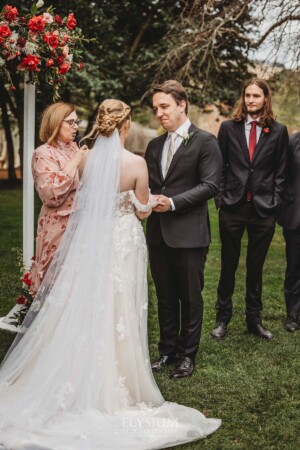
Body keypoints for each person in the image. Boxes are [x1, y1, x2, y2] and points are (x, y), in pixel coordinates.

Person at [0, 99, 221, 449]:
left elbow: (85, 198)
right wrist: (153, 202)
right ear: (126, 125)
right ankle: (116, 378)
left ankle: (77, 372)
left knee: (88, 303)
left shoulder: (83, 159)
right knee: (119, 305)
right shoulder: (136, 163)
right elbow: (143, 208)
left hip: (91, 241)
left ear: (101, 123)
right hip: (123, 242)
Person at [145, 80, 222, 379]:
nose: (159, 113)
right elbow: (151, 185)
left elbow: (211, 185)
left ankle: (187, 356)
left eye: (164, 107)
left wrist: (174, 202)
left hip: (190, 235)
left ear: (181, 104)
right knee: (165, 296)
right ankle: (166, 351)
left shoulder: (205, 141)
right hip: (158, 233)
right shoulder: (154, 145)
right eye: (155, 109)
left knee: (190, 299)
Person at [212, 78, 289, 341]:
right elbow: (220, 167)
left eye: (256, 96)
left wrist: (275, 202)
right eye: (247, 95)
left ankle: (253, 320)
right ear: (243, 98)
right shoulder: (228, 128)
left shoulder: (278, 131)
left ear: (266, 98)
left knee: (256, 268)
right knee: (228, 266)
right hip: (232, 206)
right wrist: (220, 199)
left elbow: (281, 172)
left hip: (263, 209)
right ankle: (222, 318)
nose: (251, 100)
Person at [30, 102, 89, 294]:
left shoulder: (75, 149)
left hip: (81, 223)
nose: (76, 127)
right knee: (54, 278)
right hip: (58, 225)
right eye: (70, 122)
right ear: (55, 123)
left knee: (80, 278)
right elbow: (50, 195)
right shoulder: (43, 154)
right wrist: (77, 160)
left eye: (76, 122)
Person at [278, 131, 300, 332]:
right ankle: (293, 315)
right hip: (296, 216)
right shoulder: (293, 140)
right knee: (294, 267)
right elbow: (281, 175)